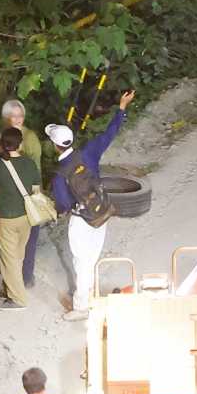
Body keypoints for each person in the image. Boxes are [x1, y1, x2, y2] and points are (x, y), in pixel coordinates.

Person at [48, 88, 138, 316]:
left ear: (55, 145)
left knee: (82, 261)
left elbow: (63, 204)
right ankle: (89, 293)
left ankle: (81, 306)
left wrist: (56, 210)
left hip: (80, 219)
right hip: (101, 211)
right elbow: (109, 134)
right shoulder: (88, 153)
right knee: (92, 257)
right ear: (71, 141)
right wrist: (122, 108)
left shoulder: (60, 174)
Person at [0, 129, 42, 309]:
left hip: (5, 218)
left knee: (9, 258)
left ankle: (18, 300)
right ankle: (11, 289)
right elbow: (36, 192)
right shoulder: (30, 164)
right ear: (20, 144)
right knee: (17, 256)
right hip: (26, 217)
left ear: (3, 144)